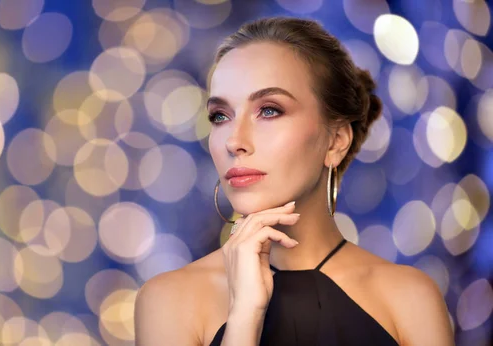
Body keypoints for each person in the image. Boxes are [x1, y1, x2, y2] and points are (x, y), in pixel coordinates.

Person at [134, 17, 454, 346]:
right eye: (220, 116)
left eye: (269, 110)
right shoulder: (169, 299)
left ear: (335, 141)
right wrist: (244, 315)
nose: (234, 141)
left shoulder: (411, 298)